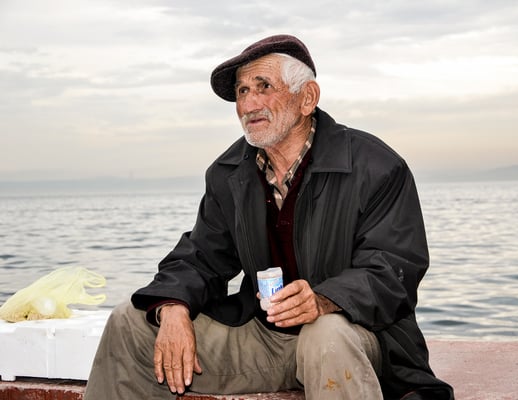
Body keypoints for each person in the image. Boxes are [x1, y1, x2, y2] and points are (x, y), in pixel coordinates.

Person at [84, 34, 454, 400]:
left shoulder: (375, 166)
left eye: (263, 86)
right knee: (130, 322)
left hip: (361, 339)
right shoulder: (229, 174)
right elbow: (202, 256)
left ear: (307, 97)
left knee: (325, 335)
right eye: (242, 91)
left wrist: (324, 300)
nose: (249, 103)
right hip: (266, 339)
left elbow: (394, 270)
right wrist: (172, 305)